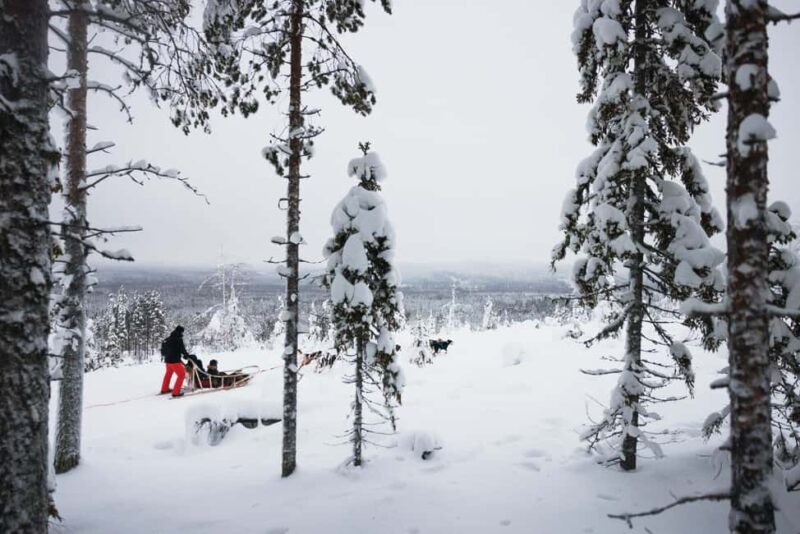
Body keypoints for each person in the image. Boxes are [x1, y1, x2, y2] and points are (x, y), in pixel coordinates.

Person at [160, 326, 190, 397]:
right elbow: (182, 349)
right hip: (175, 361)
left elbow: (163, 351)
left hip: (167, 361)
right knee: (181, 375)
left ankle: (164, 389)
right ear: (181, 332)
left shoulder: (167, 339)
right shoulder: (178, 339)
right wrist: (187, 356)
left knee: (168, 374)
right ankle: (176, 392)